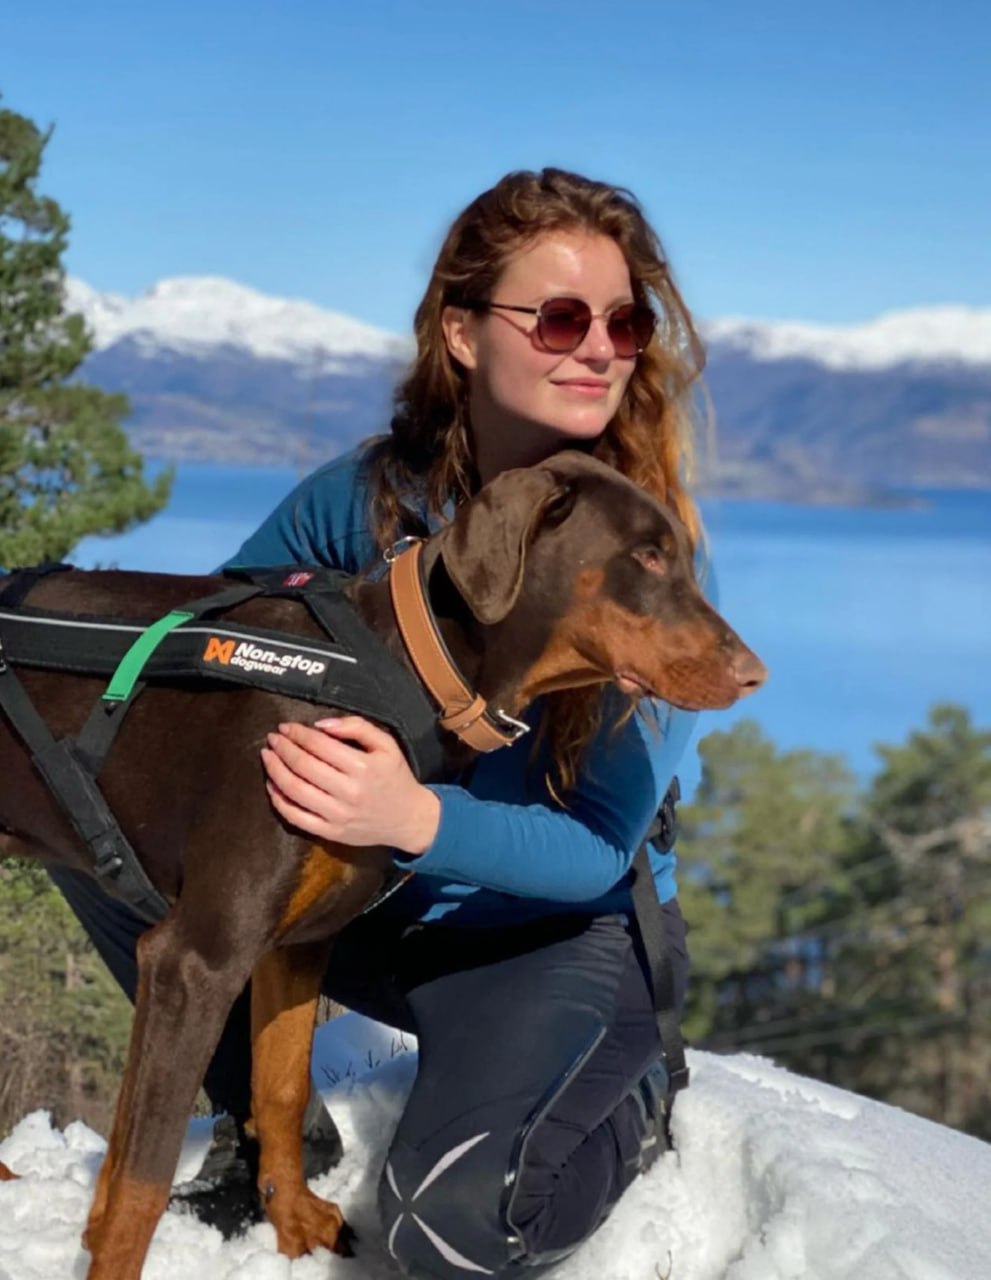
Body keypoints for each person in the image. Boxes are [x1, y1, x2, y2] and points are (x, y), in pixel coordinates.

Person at [50, 167, 712, 1277]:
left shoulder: (643, 549)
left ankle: (619, 1101)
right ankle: (268, 1129)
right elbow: (213, 660)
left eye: (623, 321)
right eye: (560, 317)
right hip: (373, 911)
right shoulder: (369, 497)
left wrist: (413, 816)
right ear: (462, 332)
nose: (599, 348)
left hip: (549, 937)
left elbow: (600, 847)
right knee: (99, 813)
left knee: (451, 1226)